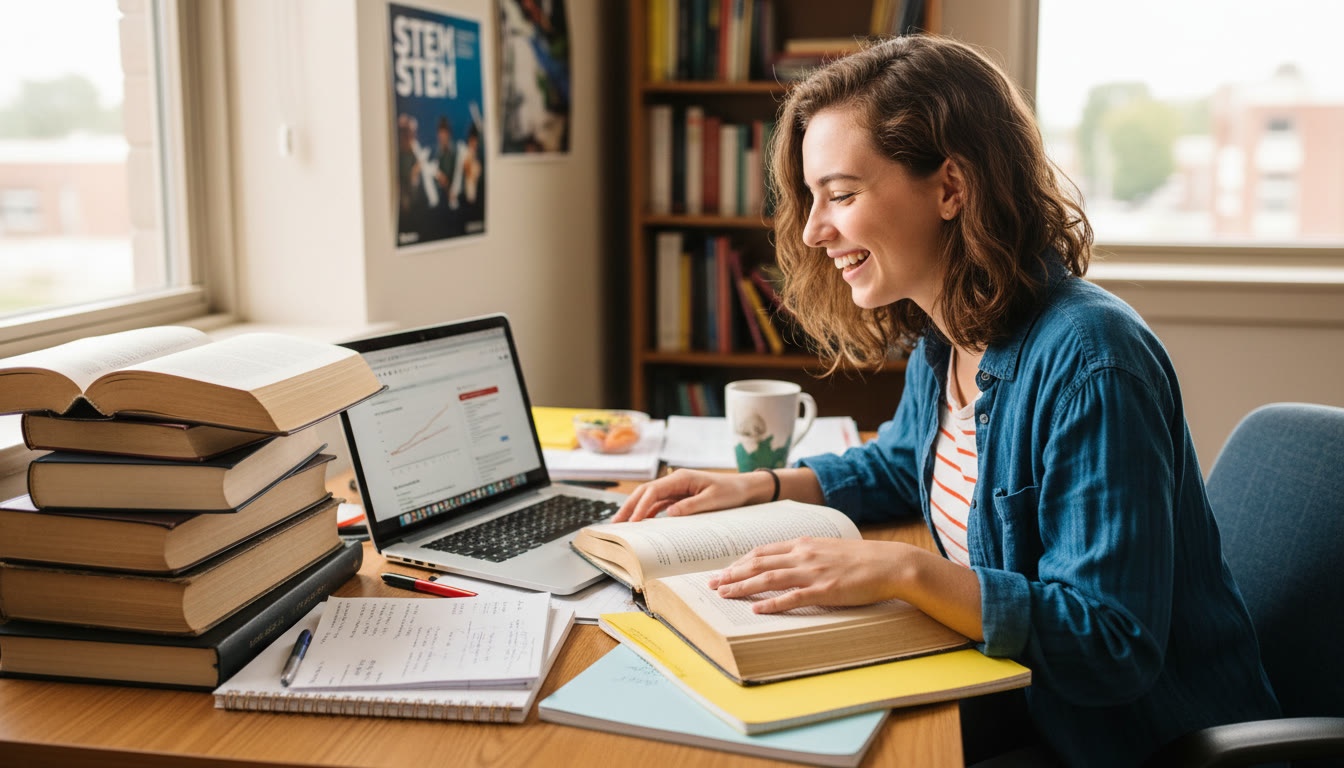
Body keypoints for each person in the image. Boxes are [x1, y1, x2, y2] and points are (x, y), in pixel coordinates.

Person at [613, 35, 1280, 767]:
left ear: (951, 188)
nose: (811, 229)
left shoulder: (1093, 363)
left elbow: (1110, 643)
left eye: (840, 194)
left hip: (1119, 743)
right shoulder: (949, 331)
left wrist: (904, 571)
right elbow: (905, 463)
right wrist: (760, 485)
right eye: (811, 198)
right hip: (1016, 699)